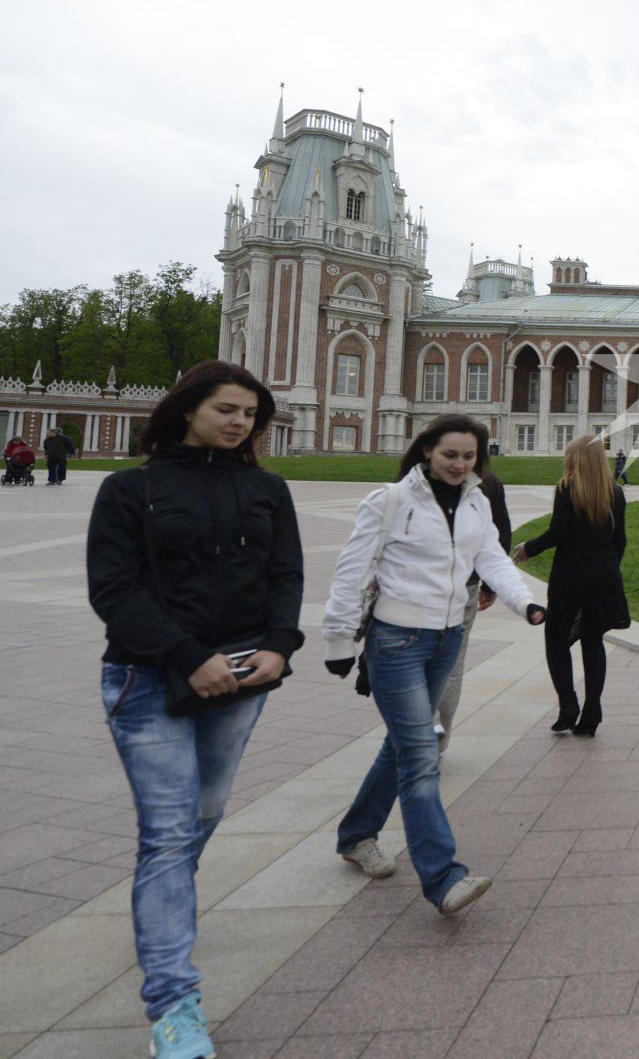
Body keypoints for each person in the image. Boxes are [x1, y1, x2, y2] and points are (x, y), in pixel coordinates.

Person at [86, 361, 304, 1059]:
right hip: (148, 678)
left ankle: (164, 907)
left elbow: (285, 574)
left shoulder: (267, 488)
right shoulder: (131, 489)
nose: (241, 422)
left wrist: (278, 645)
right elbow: (113, 589)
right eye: (228, 409)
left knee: (204, 814)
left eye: (251, 414)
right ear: (186, 409)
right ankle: (174, 1006)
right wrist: (185, 655)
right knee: (171, 832)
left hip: (241, 675)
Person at [322, 415, 544, 918]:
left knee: (401, 743)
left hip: (446, 638)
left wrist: (523, 602)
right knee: (422, 752)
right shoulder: (391, 502)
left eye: (469, 457)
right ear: (426, 451)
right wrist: (337, 640)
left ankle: (357, 834)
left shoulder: (476, 500)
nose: (460, 464)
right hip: (396, 641)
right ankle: (444, 878)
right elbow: (351, 571)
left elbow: (491, 558)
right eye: (450, 455)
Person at [513, 433, 630, 737]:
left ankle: (568, 705)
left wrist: (528, 548)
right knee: (593, 641)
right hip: (604, 577)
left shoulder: (567, 489)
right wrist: (607, 568)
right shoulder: (615, 493)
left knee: (555, 638)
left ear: (574, 459)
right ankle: (592, 710)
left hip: (570, 577)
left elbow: (558, 533)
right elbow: (621, 542)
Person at [435, 468, 512, 755]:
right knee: (453, 664)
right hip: (464, 582)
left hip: (419, 585)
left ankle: (423, 730)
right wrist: (490, 584)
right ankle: (437, 740)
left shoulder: (414, 478)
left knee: (417, 660)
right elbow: (500, 535)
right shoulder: (489, 482)